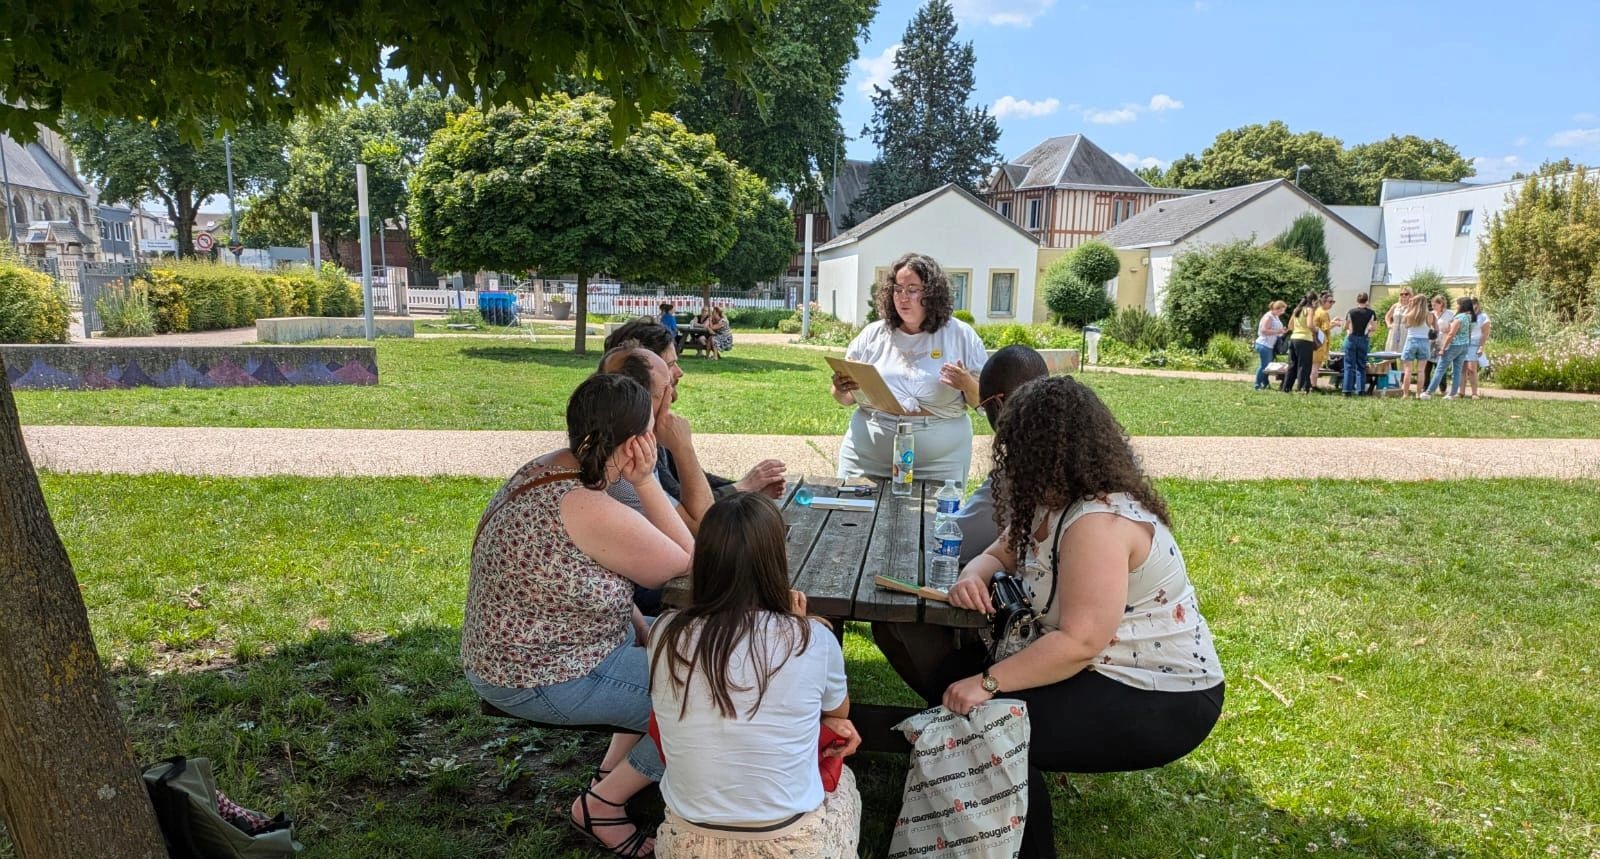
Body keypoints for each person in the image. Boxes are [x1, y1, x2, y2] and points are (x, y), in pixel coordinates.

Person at [927, 376, 1223, 859]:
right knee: (955, 689)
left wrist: (989, 683)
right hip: (1098, 668)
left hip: (1161, 694)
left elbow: (1081, 641)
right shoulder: (1051, 502)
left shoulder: (1098, 523)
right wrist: (974, 576)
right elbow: (998, 553)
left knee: (991, 728)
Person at [463, 374, 691, 858]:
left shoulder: (550, 468)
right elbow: (687, 560)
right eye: (651, 431)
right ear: (635, 443)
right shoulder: (585, 502)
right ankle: (602, 805)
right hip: (538, 677)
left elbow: (577, 567)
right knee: (700, 701)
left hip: (517, 660)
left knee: (672, 672)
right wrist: (647, 480)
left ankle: (615, 773)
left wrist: (639, 623)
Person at [649, 494, 862, 858]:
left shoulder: (664, 631)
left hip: (688, 840)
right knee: (847, 786)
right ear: (776, 561)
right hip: (789, 842)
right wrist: (799, 625)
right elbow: (837, 713)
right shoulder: (813, 638)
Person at [831, 253, 988, 484]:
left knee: (935, 520)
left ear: (932, 293)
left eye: (912, 289)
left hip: (940, 462)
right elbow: (845, 399)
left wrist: (967, 384)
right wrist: (839, 387)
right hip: (867, 457)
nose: (903, 297)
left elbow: (983, 404)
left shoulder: (960, 336)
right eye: (897, 289)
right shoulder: (873, 334)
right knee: (851, 515)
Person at [604, 319, 787, 502]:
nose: (679, 372)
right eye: (670, 365)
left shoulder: (645, 424)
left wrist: (747, 486)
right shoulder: (632, 446)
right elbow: (690, 512)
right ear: (646, 374)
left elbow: (692, 481)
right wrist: (744, 486)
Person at [598, 341, 714, 533]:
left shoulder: (607, 436)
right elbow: (703, 527)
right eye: (666, 389)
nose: (672, 395)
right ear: (641, 400)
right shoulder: (627, 466)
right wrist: (684, 448)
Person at [1423, 296, 1474, 400]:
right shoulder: (1469, 317)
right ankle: (1452, 394)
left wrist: (1443, 348)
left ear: (1462, 305)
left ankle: (1428, 392)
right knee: (1457, 371)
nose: (1457, 305)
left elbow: (1451, 334)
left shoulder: (1459, 318)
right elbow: (1468, 333)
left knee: (1440, 369)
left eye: (1458, 304)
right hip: (1464, 346)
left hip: (1454, 346)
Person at [1279, 292, 1320, 394]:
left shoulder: (1297, 310)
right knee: (1304, 365)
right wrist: (1316, 330)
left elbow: (1290, 326)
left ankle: (1286, 387)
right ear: (1313, 301)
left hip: (1294, 339)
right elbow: (1310, 325)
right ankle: (1302, 388)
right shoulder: (1309, 310)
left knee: (1292, 364)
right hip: (1305, 340)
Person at [1398, 292, 1434, 398]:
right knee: (1421, 370)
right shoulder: (1429, 315)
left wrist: (1409, 308)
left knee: (1407, 370)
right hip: (1424, 341)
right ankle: (1418, 394)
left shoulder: (1409, 314)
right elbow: (1430, 326)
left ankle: (1405, 394)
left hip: (1411, 340)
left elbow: (1405, 324)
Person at [1341, 293, 1376, 396]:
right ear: (1367, 301)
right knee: (1361, 366)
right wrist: (1368, 329)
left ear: (1357, 300)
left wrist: (1347, 328)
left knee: (1349, 365)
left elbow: (1345, 327)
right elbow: (1374, 328)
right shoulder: (1371, 313)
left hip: (1351, 339)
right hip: (1363, 339)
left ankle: (1347, 390)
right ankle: (1360, 390)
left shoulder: (1351, 312)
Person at [1253, 300, 1289, 390]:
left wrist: (1282, 332)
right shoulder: (1268, 317)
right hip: (1264, 344)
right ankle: (1257, 385)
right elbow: (1264, 330)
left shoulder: (1275, 317)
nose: (1283, 312)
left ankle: (1265, 383)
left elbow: (1276, 331)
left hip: (1269, 345)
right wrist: (1278, 331)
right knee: (1264, 366)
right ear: (1277, 308)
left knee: (1267, 366)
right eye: (1282, 310)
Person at [1463, 298, 1491, 399]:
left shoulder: (1483, 317)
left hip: (1474, 344)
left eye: (1474, 304)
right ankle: (1461, 392)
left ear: (1477, 305)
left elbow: (1485, 333)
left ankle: (1474, 393)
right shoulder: (1466, 315)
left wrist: (1481, 347)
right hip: (1464, 343)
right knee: (1462, 369)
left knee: (1471, 369)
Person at [1383, 286, 1414, 354]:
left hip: (1405, 330)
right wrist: (1389, 324)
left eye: (1406, 294)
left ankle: (1403, 364)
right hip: (1394, 329)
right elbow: (1387, 316)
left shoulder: (1412, 306)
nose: (1403, 295)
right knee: (1391, 350)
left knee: (1403, 351)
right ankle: (1391, 364)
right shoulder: (1396, 305)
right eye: (1401, 294)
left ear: (1410, 295)